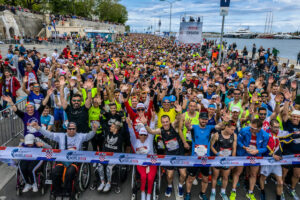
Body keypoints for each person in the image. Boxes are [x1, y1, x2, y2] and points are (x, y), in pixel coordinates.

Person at [30, 121, 98, 195]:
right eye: (70, 129)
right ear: (67, 129)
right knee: (55, 172)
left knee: (69, 173)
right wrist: (38, 128)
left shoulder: (80, 136)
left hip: (74, 161)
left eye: (73, 129)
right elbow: (49, 134)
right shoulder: (61, 136)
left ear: (76, 129)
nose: (71, 130)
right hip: (62, 160)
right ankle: (57, 190)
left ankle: (67, 191)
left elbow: (89, 136)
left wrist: (94, 130)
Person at [143, 111, 186, 198]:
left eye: (167, 122)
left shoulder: (173, 126)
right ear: (161, 122)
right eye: (163, 122)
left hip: (179, 153)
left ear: (169, 121)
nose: (165, 124)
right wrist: (145, 124)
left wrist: (179, 112)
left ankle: (180, 186)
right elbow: (151, 131)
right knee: (169, 175)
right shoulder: (160, 130)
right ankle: (169, 186)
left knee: (183, 174)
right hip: (169, 155)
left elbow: (178, 119)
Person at [184, 112, 226, 200]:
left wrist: (224, 121)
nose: (204, 120)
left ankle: (202, 193)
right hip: (194, 158)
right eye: (202, 119)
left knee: (205, 179)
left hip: (205, 159)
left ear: (207, 120)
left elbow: (219, 126)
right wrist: (186, 125)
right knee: (190, 178)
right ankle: (188, 193)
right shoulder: (194, 127)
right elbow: (189, 127)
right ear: (199, 119)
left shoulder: (210, 128)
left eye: (205, 119)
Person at [230, 119, 269, 200]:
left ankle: (250, 192)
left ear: (259, 128)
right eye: (251, 127)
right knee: (238, 172)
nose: (251, 129)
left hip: (255, 155)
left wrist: (257, 151)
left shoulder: (265, 135)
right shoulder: (244, 130)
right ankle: (233, 191)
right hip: (243, 154)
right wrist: (244, 147)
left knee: (254, 174)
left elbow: (265, 148)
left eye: (253, 128)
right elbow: (238, 141)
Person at [128, 116, 156, 200]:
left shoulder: (149, 140)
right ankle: (143, 192)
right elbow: (131, 132)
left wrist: (153, 119)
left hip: (151, 163)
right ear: (139, 135)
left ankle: (149, 194)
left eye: (144, 134)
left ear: (147, 135)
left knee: (150, 178)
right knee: (143, 176)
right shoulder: (135, 141)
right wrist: (129, 123)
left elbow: (151, 128)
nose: (143, 136)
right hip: (140, 163)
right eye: (141, 134)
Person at [210, 120, 237, 200]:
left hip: (227, 160)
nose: (233, 131)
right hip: (217, 160)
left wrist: (232, 161)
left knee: (225, 177)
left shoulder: (234, 135)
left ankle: (223, 192)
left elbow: (234, 149)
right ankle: (213, 192)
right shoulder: (217, 134)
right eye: (232, 129)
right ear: (227, 127)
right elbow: (211, 146)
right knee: (215, 176)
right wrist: (218, 154)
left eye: (234, 129)